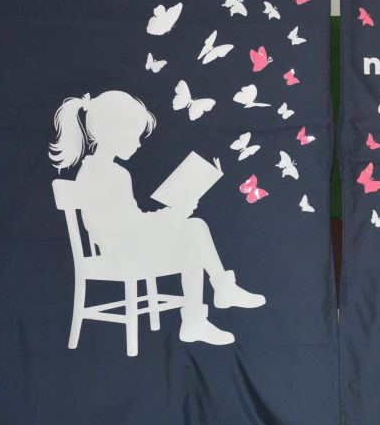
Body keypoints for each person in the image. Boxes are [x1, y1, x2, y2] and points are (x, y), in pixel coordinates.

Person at [49, 90, 265, 345]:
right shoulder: (111, 175)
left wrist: (172, 215)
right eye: (134, 136)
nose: (139, 144)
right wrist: (173, 215)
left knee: (192, 231)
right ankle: (207, 306)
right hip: (123, 252)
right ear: (114, 133)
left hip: (124, 246)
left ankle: (211, 302)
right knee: (193, 231)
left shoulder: (98, 171)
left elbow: (129, 221)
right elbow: (128, 226)